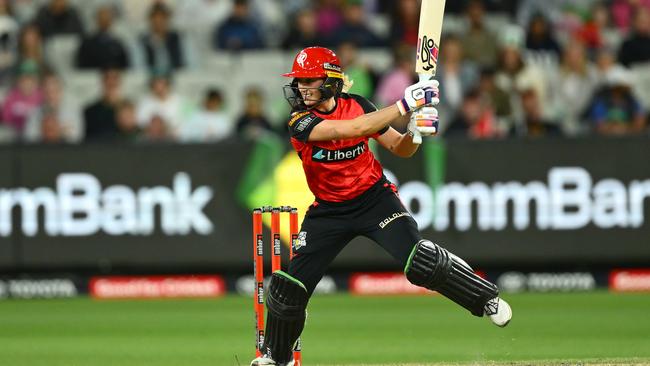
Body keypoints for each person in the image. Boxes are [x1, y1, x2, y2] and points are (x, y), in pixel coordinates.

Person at [250, 46, 512, 366]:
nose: (302, 88)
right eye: (299, 81)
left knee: (421, 262)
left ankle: (485, 298)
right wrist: (405, 103)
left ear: (331, 80)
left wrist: (415, 129)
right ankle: (278, 358)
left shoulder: (359, 105)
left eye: (310, 80)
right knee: (288, 288)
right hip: (328, 211)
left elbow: (400, 149)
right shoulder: (299, 121)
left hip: (375, 200)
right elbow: (351, 130)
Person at [75, 5, 129, 70]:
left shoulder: (118, 43)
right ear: (96, 19)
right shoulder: (87, 43)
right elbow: (82, 64)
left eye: (107, 18)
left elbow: (125, 64)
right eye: (102, 17)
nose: (105, 20)